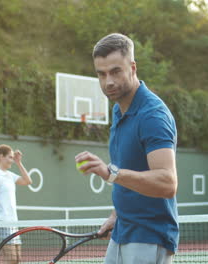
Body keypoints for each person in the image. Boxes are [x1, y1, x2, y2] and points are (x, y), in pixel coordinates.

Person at [75, 33, 179, 264]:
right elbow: (131, 170)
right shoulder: (118, 110)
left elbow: (168, 183)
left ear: (132, 67)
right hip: (123, 232)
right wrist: (116, 215)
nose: (108, 81)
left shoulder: (153, 115)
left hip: (149, 237)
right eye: (101, 74)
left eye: (115, 71)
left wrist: (110, 173)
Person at [0, 144, 32, 264]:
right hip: (2, 223)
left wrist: (18, 162)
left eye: (13, 158)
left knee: (17, 260)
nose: (12, 160)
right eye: (10, 157)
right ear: (1, 157)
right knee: (11, 259)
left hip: (14, 223)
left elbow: (28, 181)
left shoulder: (10, 175)